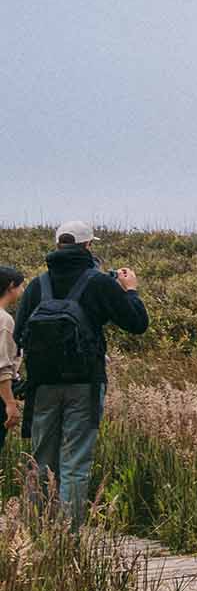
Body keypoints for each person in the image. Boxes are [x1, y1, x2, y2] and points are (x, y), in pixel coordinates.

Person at [14, 223, 147, 527]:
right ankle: (68, 537)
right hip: (84, 383)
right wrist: (131, 290)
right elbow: (137, 323)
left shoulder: (38, 285)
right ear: (88, 246)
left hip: (42, 385)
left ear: (57, 247)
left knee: (41, 460)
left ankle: (36, 531)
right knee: (75, 462)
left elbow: (19, 335)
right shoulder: (99, 283)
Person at [0, 264, 22, 439]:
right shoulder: (4, 320)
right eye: (20, 285)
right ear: (11, 286)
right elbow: (2, 367)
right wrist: (10, 403)